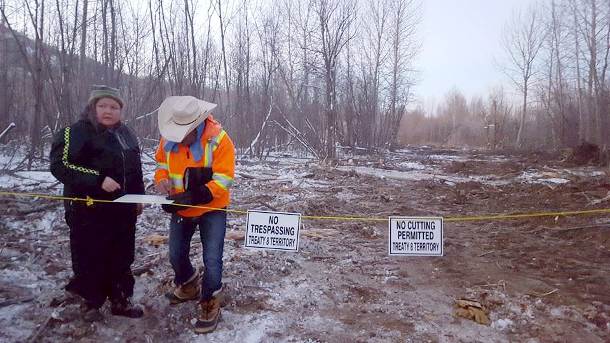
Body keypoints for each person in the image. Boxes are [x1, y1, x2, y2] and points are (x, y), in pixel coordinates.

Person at [50, 85, 145, 322]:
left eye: (114, 107)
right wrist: (98, 180)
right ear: (92, 107)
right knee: (90, 256)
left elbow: (135, 170)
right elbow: (60, 165)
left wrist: (139, 198)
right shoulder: (76, 132)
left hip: (122, 211)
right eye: (103, 105)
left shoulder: (127, 134)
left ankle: (120, 299)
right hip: (87, 209)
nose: (108, 111)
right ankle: (91, 302)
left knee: (122, 255)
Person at [154, 95, 235, 334]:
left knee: (212, 260)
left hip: (213, 209)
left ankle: (210, 299)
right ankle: (188, 283)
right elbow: (161, 165)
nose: (178, 138)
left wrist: (198, 195)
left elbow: (224, 179)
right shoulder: (168, 139)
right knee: (175, 254)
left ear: (196, 126)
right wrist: (162, 183)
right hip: (181, 208)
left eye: (184, 133)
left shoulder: (219, 139)